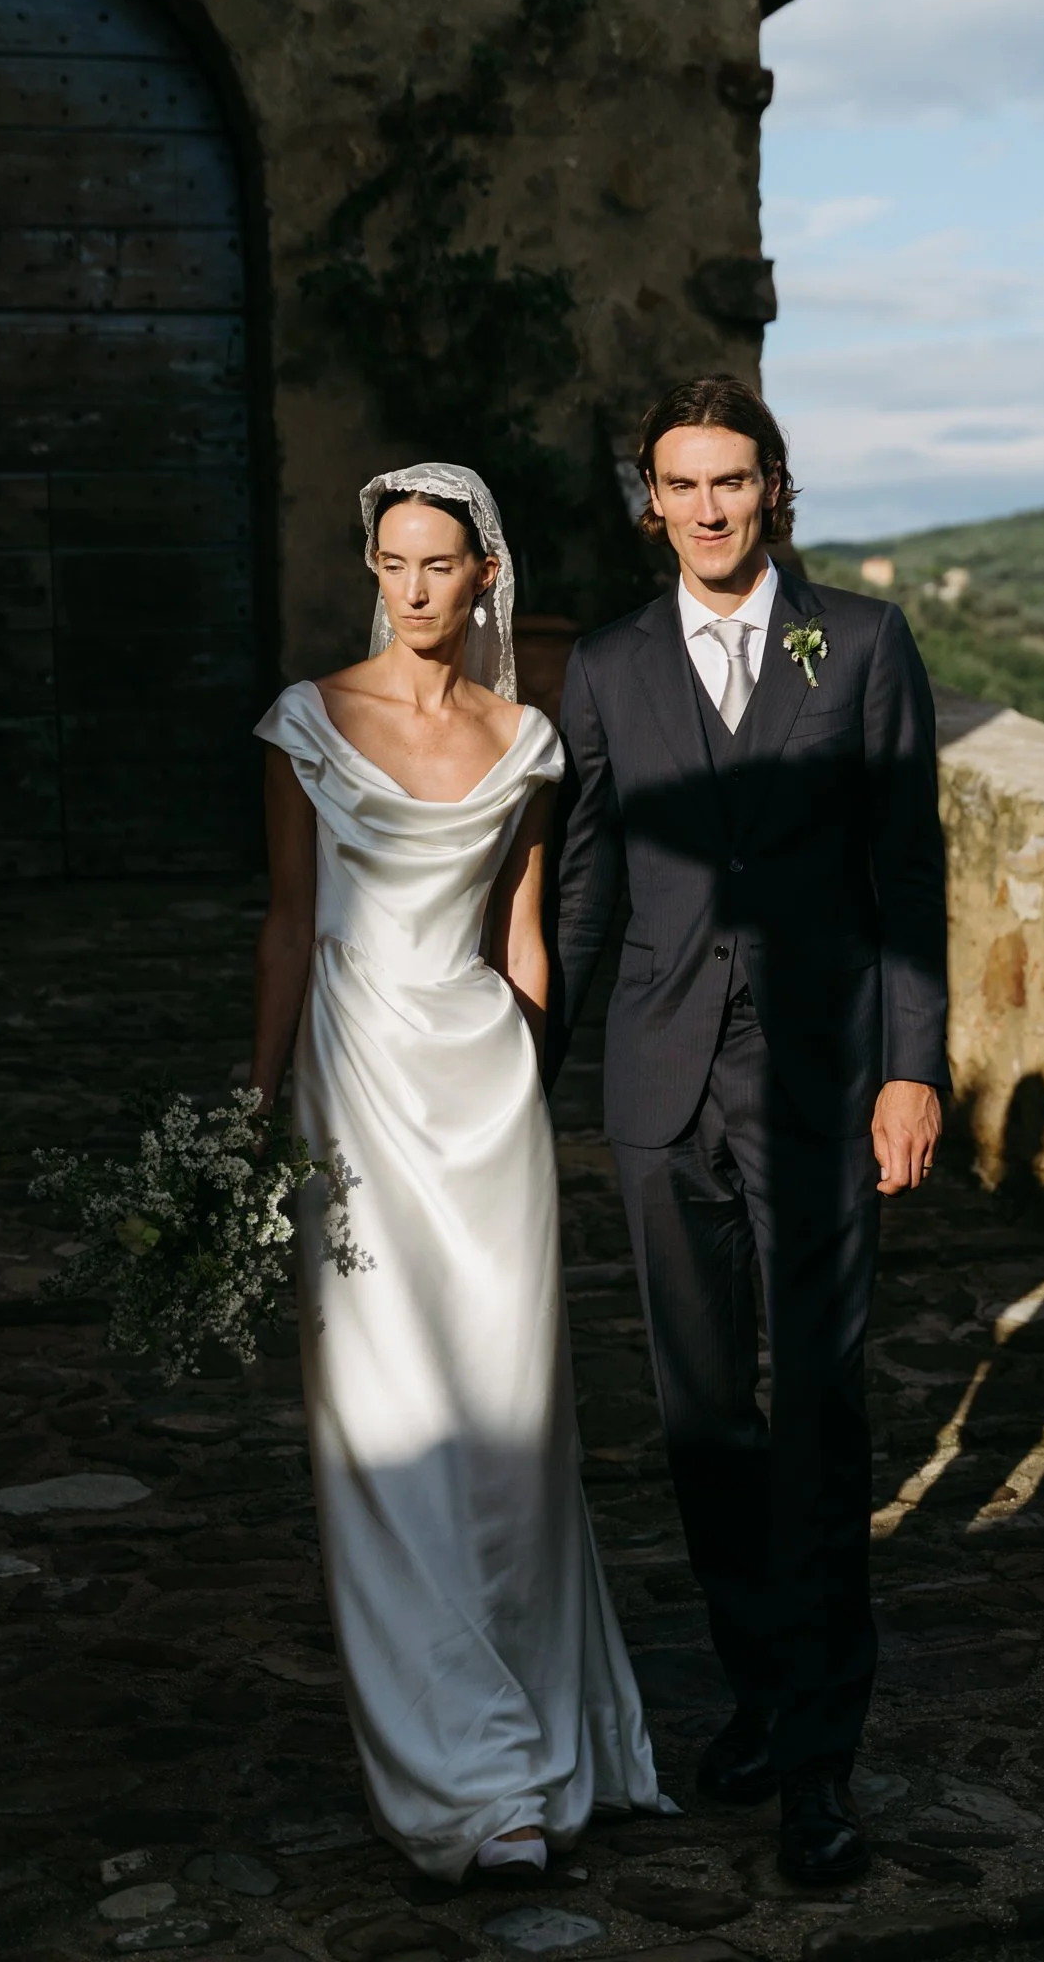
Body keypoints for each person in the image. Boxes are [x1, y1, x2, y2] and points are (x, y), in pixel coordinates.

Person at [551, 376, 948, 1885]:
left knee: (821, 1408)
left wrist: (913, 1068)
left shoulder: (854, 644)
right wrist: (515, 1068)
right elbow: (586, 889)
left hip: (822, 1081)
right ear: (646, 500)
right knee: (704, 1416)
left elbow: (906, 868)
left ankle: (823, 1758)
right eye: (681, 484)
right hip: (658, 1089)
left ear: (775, 488)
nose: (708, 508)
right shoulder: (605, 665)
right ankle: (761, 1690)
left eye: (734, 481)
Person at [249, 463, 670, 1884]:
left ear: (484, 578)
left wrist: (535, 1106)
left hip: (487, 1105)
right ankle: (462, 1777)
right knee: (380, 1425)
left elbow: (526, 939)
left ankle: (537, 1744)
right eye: (393, 563)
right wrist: (255, 1108)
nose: (414, 588)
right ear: (371, 567)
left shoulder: (528, 741)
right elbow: (290, 919)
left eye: (440, 565)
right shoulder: (308, 722)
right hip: (355, 1087)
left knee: (510, 1425)